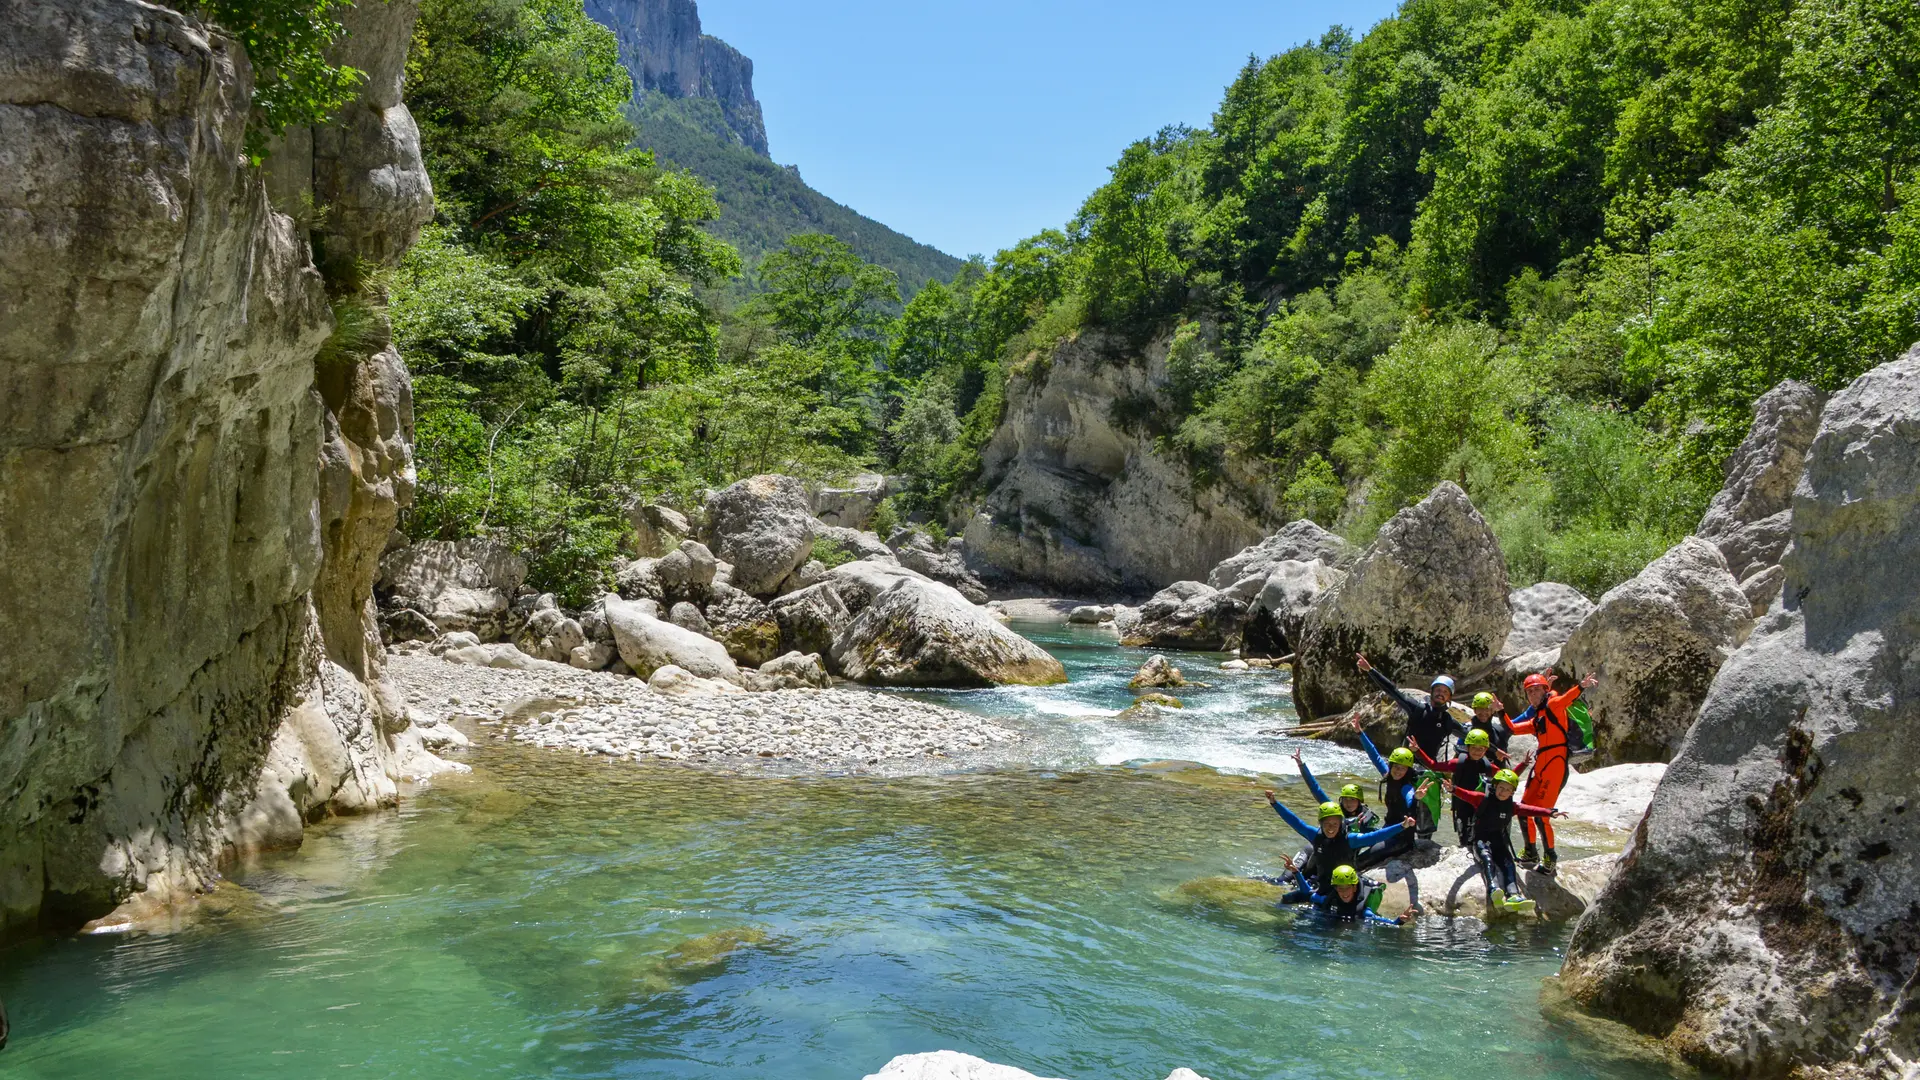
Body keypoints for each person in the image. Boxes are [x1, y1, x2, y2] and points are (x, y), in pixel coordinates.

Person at [1507, 670, 1601, 872]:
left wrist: (1582, 685)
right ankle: (1530, 851)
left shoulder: (1554, 704)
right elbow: (1513, 729)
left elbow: (1569, 697)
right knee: (1523, 810)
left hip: (1556, 765)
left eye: (1536, 690)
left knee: (1541, 814)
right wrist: (1497, 711)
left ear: (1545, 690)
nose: (1532, 695)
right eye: (1529, 692)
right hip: (1541, 764)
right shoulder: (1538, 717)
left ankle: (1550, 857)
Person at [1451, 768, 1565, 912]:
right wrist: (1453, 789)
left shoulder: (1512, 806)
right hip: (1480, 840)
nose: (1502, 792)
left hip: (1498, 840)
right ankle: (1494, 889)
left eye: (1507, 790)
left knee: (1508, 863)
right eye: (1500, 788)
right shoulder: (1482, 799)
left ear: (1512, 792)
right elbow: (1466, 795)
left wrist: (1550, 812)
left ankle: (1513, 895)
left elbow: (1531, 810)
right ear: (1495, 786)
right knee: (1487, 860)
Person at [1262, 794, 1415, 897]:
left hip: (1343, 885)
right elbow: (1295, 822)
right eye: (1327, 824)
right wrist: (1275, 803)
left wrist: (1402, 826)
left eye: (1335, 824)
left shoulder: (1351, 839)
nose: (1330, 827)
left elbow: (1376, 836)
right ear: (1321, 824)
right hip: (1321, 883)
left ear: (1341, 823)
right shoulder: (1315, 835)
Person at [1413, 727, 1503, 847]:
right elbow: (1433, 766)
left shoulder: (1489, 767)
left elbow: (1506, 779)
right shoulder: (1457, 763)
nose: (1477, 752)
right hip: (1461, 805)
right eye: (1474, 748)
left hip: (1480, 806)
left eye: (1480, 749)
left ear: (1486, 750)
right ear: (1467, 748)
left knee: (1479, 836)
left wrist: (1523, 765)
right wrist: (1417, 750)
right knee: (1465, 839)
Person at [1348, 717, 1430, 848]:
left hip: (1401, 837)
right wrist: (1360, 733)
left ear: (1408, 771)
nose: (1398, 771)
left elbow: (1409, 797)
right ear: (1391, 765)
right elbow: (1374, 755)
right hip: (1388, 829)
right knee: (1357, 836)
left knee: (1364, 858)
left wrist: (1415, 797)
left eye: (1403, 769)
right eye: (1396, 767)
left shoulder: (1406, 787)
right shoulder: (1388, 775)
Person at [1292, 749, 1380, 833]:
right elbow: (1315, 789)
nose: (1348, 803)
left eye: (1352, 799)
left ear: (1359, 801)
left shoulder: (1367, 816)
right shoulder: (1336, 810)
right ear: (1341, 800)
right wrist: (1301, 766)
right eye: (1345, 799)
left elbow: (1374, 834)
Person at [1308, 865, 1413, 926]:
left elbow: (1388, 923)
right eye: (1340, 888)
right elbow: (1308, 894)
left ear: (1354, 887)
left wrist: (1400, 920)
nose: (1344, 893)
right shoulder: (1329, 899)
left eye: (1347, 888)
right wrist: (1296, 873)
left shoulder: (1364, 910)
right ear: (1335, 888)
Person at [1465, 691, 1514, 756]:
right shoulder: (1467, 732)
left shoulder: (1498, 730)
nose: (1484, 712)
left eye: (1487, 709)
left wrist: (1500, 711)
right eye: (1480, 708)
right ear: (1474, 710)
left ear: (1492, 711)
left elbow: (1510, 731)